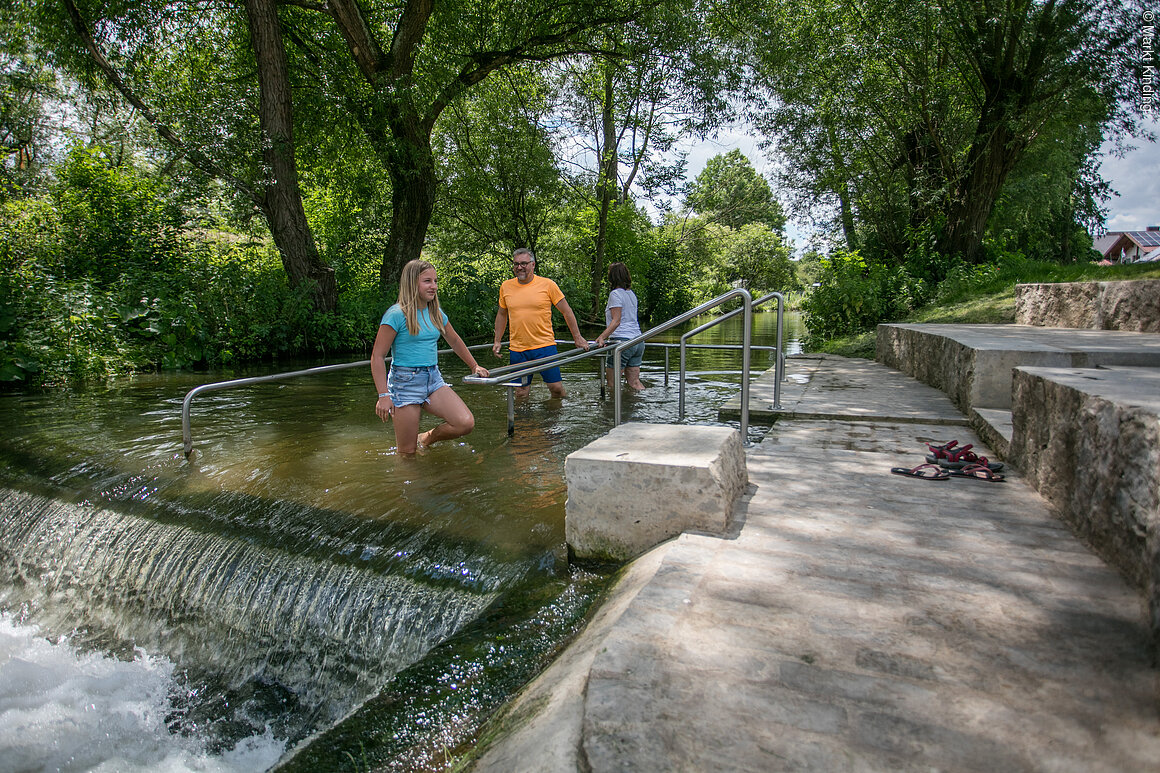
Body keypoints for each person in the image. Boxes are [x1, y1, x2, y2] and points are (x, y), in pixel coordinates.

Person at [372, 259, 489, 454]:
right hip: (405, 383)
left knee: (465, 423)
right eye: (427, 281)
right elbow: (377, 356)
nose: (434, 286)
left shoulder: (435, 313)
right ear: (412, 283)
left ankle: (427, 438)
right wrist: (383, 395)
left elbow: (455, 340)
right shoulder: (396, 315)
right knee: (407, 454)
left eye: (435, 281)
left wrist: (474, 366)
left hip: (433, 379)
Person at [492, 247, 589, 398]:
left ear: (533, 264)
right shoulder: (506, 286)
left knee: (556, 388)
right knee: (520, 392)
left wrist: (577, 337)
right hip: (518, 349)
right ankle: (523, 422)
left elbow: (566, 311)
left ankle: (557, 418)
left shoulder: (547, 284)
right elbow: (502, 314)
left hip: (544, 346)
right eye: (516, 264)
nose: (519, 267)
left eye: (524, 263)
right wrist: (497, 340)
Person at [594, 262, 646, 392]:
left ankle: (614, 411)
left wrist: (602, 337)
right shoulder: (631, 294)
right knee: (634, 382)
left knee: (613, 384)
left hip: (621, 342)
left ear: (612, 277)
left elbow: (616, 321)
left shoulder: (615, 294)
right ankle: (644, 404)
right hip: (638, 341)